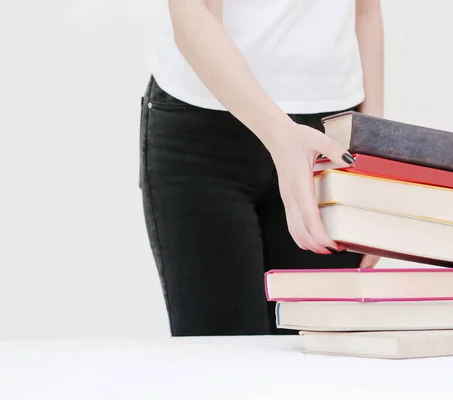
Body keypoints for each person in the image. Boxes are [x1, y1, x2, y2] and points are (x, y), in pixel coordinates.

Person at [139, 0, 384, 336]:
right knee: (223, 367)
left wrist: (373, 157)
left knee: (321, 367)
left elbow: (366, 11)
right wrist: (281, 136)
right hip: (205, 129)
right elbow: (192, 11)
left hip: (331, 134)